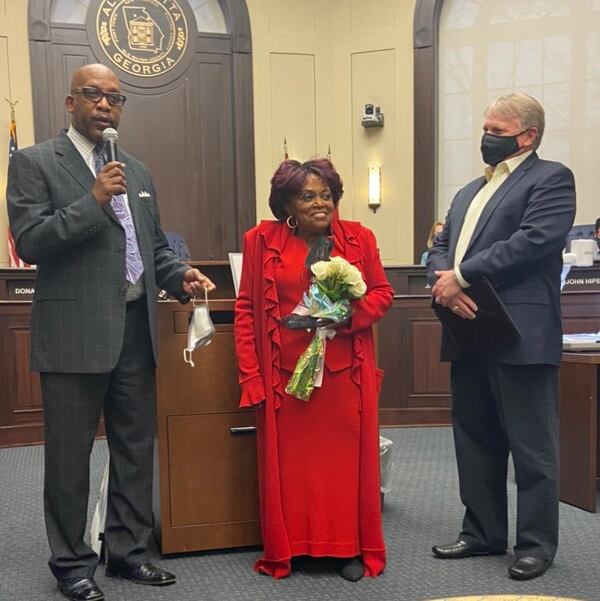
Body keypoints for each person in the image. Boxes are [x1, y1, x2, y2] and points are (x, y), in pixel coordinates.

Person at [7, 63, 215, 601]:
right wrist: (92, 199)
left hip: (134, 329)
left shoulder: (138, 172)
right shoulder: (34, 163)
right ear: (70, 102)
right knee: (70, 457)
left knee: (134, 449)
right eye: (93, 96)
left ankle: (128, 553)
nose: (105, 106)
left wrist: (180, 275)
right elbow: (31, 242)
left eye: (115, 98)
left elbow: (154, 249)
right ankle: (72, 565)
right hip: (73, 333)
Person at [427, 92, 576, 581]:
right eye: (485, 128)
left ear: (527, 135)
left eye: (497, 129)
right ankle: (482, 533)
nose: (487, 137)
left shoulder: (551, 178)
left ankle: (534, 545)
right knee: (474, 437)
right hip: (467, 325)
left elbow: (534, 240)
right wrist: (441, 281)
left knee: (531, 446)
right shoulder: (469, 190)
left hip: (521, 332)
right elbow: (442, 243)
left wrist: (461, 276)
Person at [234, 158, 393, 581]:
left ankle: (347, 549)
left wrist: (348, 316)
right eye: (307, 196)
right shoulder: (260, 241)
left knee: (343, 466)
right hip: (284, 376)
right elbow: (247, 310)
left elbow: (381, 292)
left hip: (343, 375)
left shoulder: (359, 238)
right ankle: (295, 546)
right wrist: (251, 374)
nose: (320, 204)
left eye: (326, 195)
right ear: (287, 202)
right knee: (293, 468)